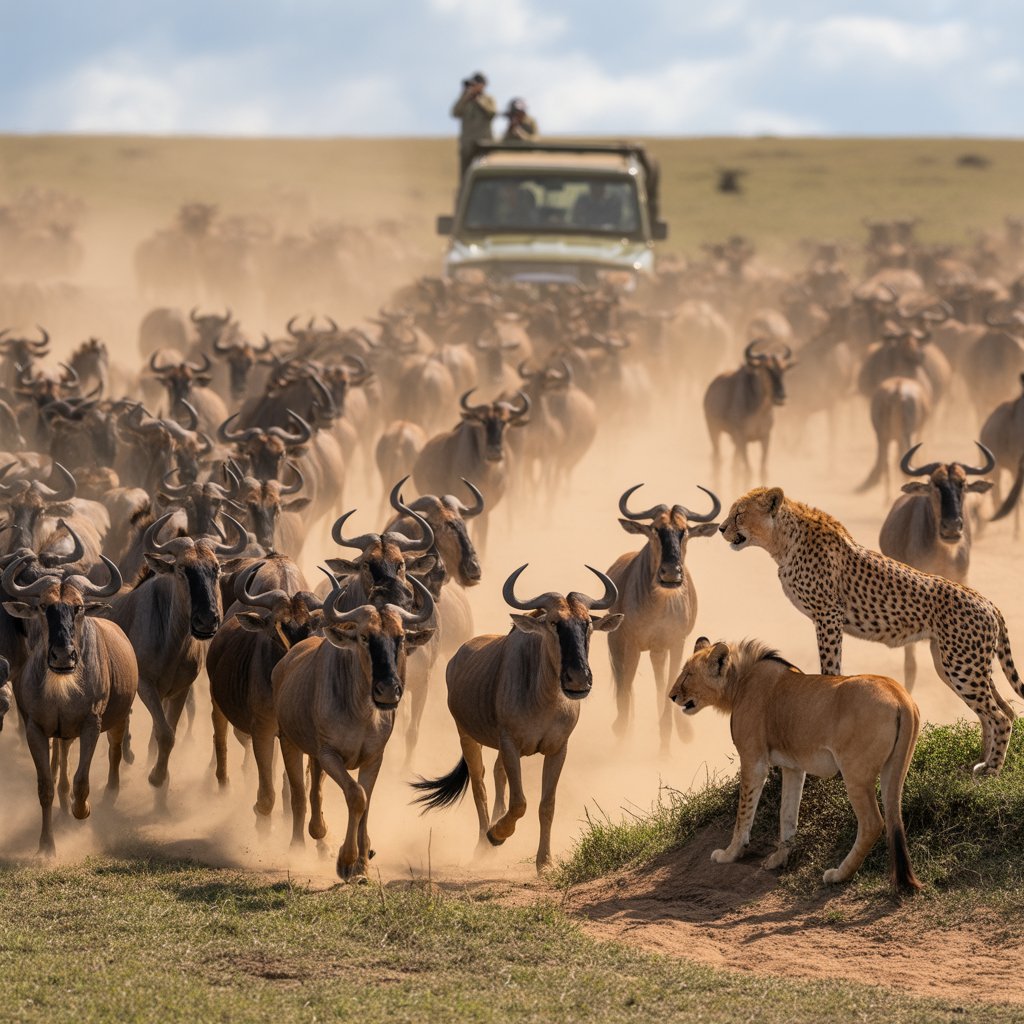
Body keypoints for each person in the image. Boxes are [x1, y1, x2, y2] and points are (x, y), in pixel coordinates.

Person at [451, 72, 496, 179]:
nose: (473, 87)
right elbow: (455, 112)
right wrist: (465, 97)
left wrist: (478, 100)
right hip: (467, 144)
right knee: (466, 174)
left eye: (476, 84)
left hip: (483, 143)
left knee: (485, 171)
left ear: (483, 85)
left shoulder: (488, 99)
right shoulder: (466, 99)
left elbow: (492, 113)